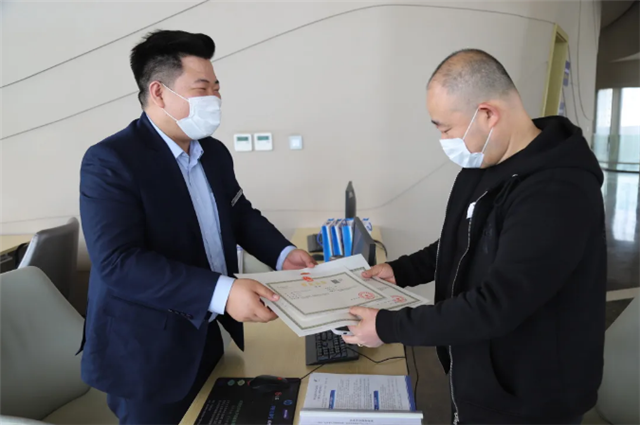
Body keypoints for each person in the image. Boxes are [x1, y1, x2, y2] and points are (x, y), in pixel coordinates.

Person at [343, 49, 606, 424]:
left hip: (528, 397)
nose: (444, 139)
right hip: (478, 373)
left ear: (487, 114)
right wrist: (401, 271)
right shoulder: (486, 162)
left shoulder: (557, 191)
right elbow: (463, 242)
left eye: (445, 128)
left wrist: (388, 327)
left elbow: (498, 304)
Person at [78, 30, 316, 424]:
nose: (215, 98)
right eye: (202, 88)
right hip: (145, 352)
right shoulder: (111, 161)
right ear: (159, 92)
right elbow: (119, 263)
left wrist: (283, 253)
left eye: (217, 88)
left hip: (205, 333)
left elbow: (239, 214)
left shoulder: (213, 152)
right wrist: (223, 291)